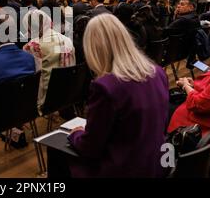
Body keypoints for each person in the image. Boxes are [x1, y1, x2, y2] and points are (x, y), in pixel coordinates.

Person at [58, 14, 169, 178]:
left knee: (58, 154)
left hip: (123, 169)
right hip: (156, 164)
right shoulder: (158, 72)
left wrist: (75, 134)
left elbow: (90, 147)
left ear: (94, 49)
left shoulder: (106, 87)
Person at [23, 10, 75, 110]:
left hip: (45, 98)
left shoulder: (32, 47)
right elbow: (55, 50)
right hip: (69, 92)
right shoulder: (67, 40)